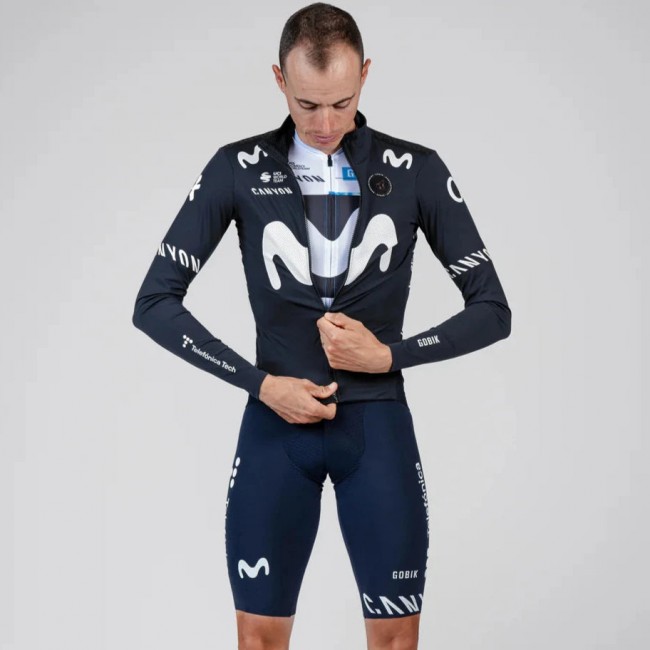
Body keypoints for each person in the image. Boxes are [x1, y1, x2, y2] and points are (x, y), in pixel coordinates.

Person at [132, 3, 511, 648]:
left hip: (377, 429)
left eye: (343, 102)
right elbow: (154, 302)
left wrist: (390, 357)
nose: (327, 124)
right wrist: (261, 384)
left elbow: (492, 310)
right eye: (308, 105)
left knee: (395, 642)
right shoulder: (237, 167)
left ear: (365, 74)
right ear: (279, 79)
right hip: (274, 430)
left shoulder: (416, 168)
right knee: (259, 640)